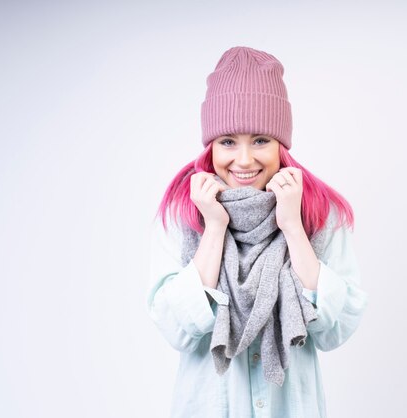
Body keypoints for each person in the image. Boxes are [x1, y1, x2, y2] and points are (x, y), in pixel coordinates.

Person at [146, 46, 368, 418]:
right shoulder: (183, 212)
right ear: (211, 145)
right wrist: (214, 227)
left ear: (282, 143)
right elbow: (177, 329)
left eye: (261, 140)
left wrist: (293, 227)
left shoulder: (319, 212)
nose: (244, 159)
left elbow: (335, 330)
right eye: (228, 141)